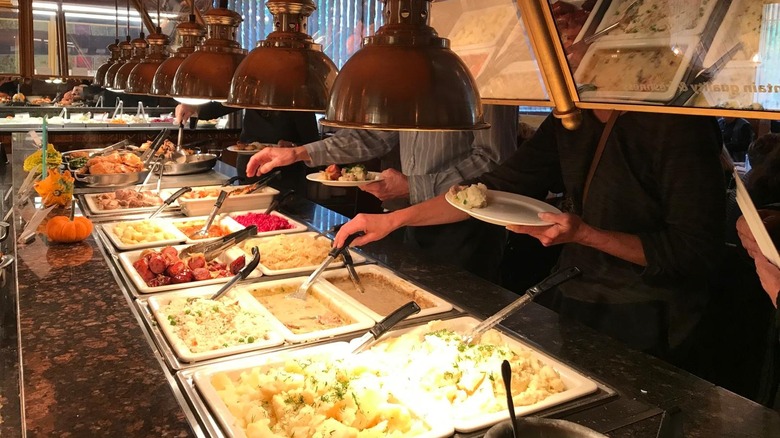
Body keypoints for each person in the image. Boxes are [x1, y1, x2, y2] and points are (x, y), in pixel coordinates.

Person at [334, 109, 726, 363]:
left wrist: (587, 235)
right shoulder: (570, 116)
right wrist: (392, 220)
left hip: (653, 317)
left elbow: (695, 252)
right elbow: (485, 191)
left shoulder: (678, 123)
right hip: (577, 299)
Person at [246, 104, 519, 281]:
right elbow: (373, 137)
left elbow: (494, 160)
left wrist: (414, 185)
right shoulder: (412, 72)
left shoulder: (488, 75)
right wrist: (299, 152)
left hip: (469, 225)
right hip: (411, 216)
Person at [175, 104, 320, 192]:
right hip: (249, 167)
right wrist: (193, 107)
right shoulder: (252, 86)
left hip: (287, 175)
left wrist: (294, 148)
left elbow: (313, 144)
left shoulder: (297, 95)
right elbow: (221, 105)